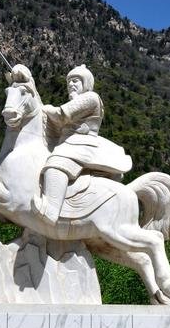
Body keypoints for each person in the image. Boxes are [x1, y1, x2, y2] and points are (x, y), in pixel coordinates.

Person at [31, 64, 132, 225]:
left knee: (56, 163)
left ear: (86, 83)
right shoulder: (79, 100)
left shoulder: (91, 97)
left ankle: (51, 210)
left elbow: (61, 115)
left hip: (80, 143)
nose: (71, 84)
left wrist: (44, 108)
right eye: (69, 81)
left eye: (76, 80)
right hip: (70, 142)